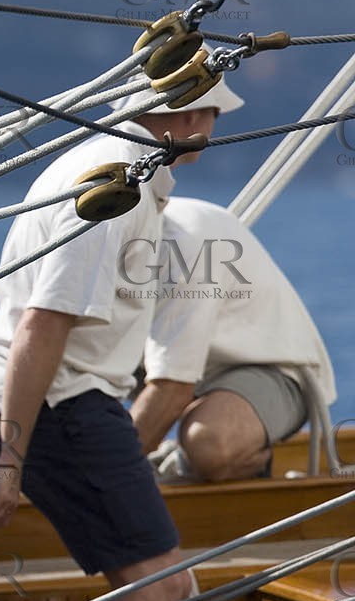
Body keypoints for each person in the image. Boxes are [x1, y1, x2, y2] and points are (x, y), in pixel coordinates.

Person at [0, 73, 244, 601]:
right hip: (62, 407)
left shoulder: (112, 165)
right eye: (212, 116)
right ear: (190, 119)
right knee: (159, 592)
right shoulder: (118, 192)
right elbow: (41, 325)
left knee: (164, 587)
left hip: (60, 402)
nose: (210, 128)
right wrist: (11, 458)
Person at [129, 196, 337, 482]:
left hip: (269, 369)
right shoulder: (89, 244)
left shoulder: (186, 240)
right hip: (176, 373)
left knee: (211, 444)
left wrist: (102, 477)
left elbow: (172, 388)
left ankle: (241, 455)